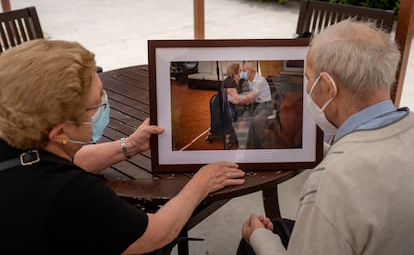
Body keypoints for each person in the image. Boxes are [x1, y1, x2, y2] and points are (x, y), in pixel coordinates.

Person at [0, 39, 246, 255]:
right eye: (97, 103)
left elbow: (55, 160)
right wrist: (202, 182)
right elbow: (157, 233)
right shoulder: (74, 194)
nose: (105, 104)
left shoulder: (15, 130)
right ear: (60, 132)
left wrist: (129, 145)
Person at [237, 19, 414, 254]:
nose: (307, 88)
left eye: (308, 79)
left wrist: (260, 238)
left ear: (329, 87)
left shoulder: (333, 180)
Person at [240, 61, 274, 148]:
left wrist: (238, 98)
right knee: (245, 116)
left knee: (258, 120)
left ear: (251, 71)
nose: (242, 73)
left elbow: (251, 97)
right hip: (255, 105)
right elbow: (246, 95)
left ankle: (261, 144)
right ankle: (249, 143)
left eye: (244, 70)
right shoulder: (247, 81)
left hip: (266, 105)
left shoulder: (260, 81)